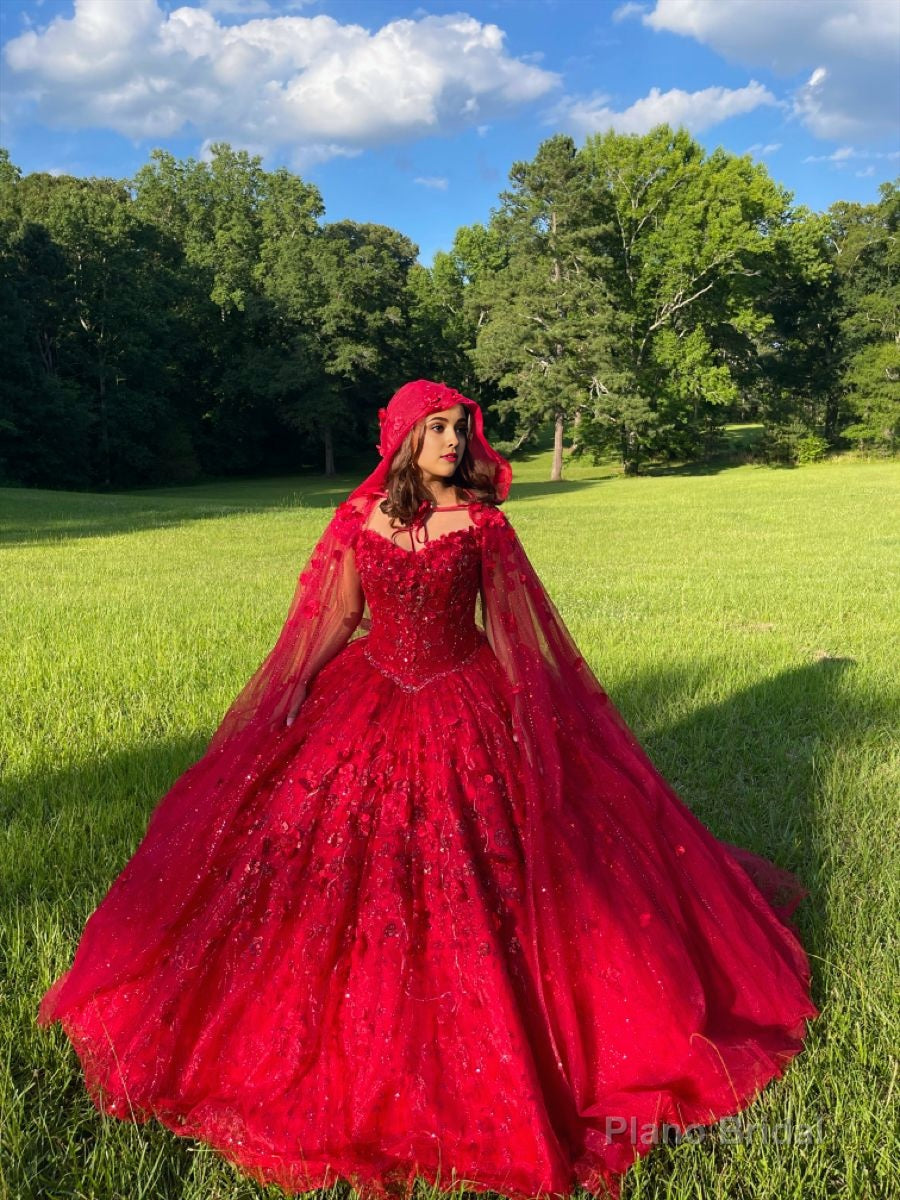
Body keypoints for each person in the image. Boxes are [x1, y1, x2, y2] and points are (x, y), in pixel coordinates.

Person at [37, 379, 819, 1200]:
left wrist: (533, 719)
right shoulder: (359, 520)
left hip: (464, 695)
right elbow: (338, 614)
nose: (453, 441)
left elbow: (517, 632)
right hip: (364, 694)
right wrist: (296, 684)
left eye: (460, 428)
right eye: (437, 428)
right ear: (403, 437)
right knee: (315, 852)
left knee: (491, 855)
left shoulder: (482, 524)